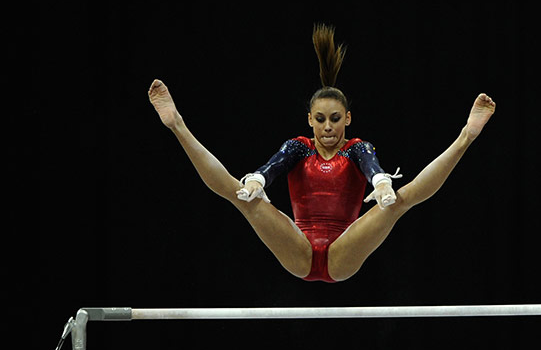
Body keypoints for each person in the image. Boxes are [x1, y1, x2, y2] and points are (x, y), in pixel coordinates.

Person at [148, 24, 495, 282]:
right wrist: (256, 180)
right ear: (309, 121)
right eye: (320, 120)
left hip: (343, 253)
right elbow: (272, 167)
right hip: (298, 251)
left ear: (347, 119)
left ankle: (465, 136)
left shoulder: (358, 148)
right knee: (243, 199)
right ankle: (177, 124)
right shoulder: (298, 146)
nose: (328, 127)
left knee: (399, 203)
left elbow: (371, 165)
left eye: (334, 119)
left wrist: (382, 183)